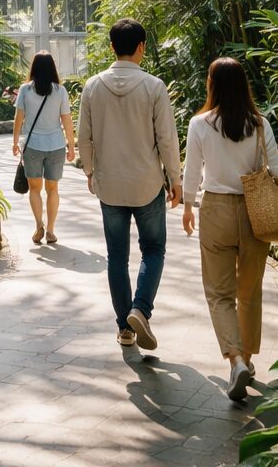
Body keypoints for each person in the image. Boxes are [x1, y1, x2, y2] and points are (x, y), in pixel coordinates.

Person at [182, 57, 278, 401]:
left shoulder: (200, 124)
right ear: (243, 85)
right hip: (255, 211)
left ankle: (235, 359)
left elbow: (192, 171)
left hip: (215, 209)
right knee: (250, 290)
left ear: (212, 85)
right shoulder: (259, 123)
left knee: (219, 292)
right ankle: (249, 360)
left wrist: (186, 206)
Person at [78, 17, 182, 350]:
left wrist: (91, 171)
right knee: (153, 249)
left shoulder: (92, 86)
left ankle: (124, 328)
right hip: (147, 183)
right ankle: (141, 308)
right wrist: (175, 178)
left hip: (109, 184)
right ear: (141, 47)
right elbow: (167, 139)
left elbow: (84, 137)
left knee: (116, 257)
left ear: (112, 47)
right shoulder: (154, 87)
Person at [11, 51, 75, 244]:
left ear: (34, 68)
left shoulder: (25, 90)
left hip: (33, 147)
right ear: (53, 68)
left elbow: (18, 118)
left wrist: (15, 142)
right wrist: (71, 146)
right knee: (53, 189)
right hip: (55, 145)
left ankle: (39, 225)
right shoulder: (60, 91)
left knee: (35, 189)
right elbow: (67, 120)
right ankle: (51, 230)